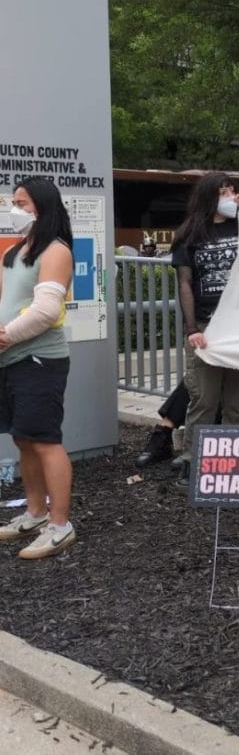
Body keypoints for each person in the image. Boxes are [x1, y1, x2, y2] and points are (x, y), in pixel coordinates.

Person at [0, 177, 77, 559]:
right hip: (12, 358)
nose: (14, 209)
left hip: (39, 359)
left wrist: (5, 336)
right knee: (24, 438)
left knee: (45, 440)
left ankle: (60, 525)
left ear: (42, 206)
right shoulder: (16, 251)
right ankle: (34, 513)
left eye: (22, 203)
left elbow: (46, 311)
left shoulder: (56, 250)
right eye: (13, 202)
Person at [170, 172, 239, 479]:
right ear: (208, 197)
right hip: (207, 325)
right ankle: (193, 459)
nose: (229, 196)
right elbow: (185, 283)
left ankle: (232, 462)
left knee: (237, 400)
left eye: (232, 190)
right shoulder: (189, 235)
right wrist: (192, 328)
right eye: (222, 192)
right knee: (203, 397)